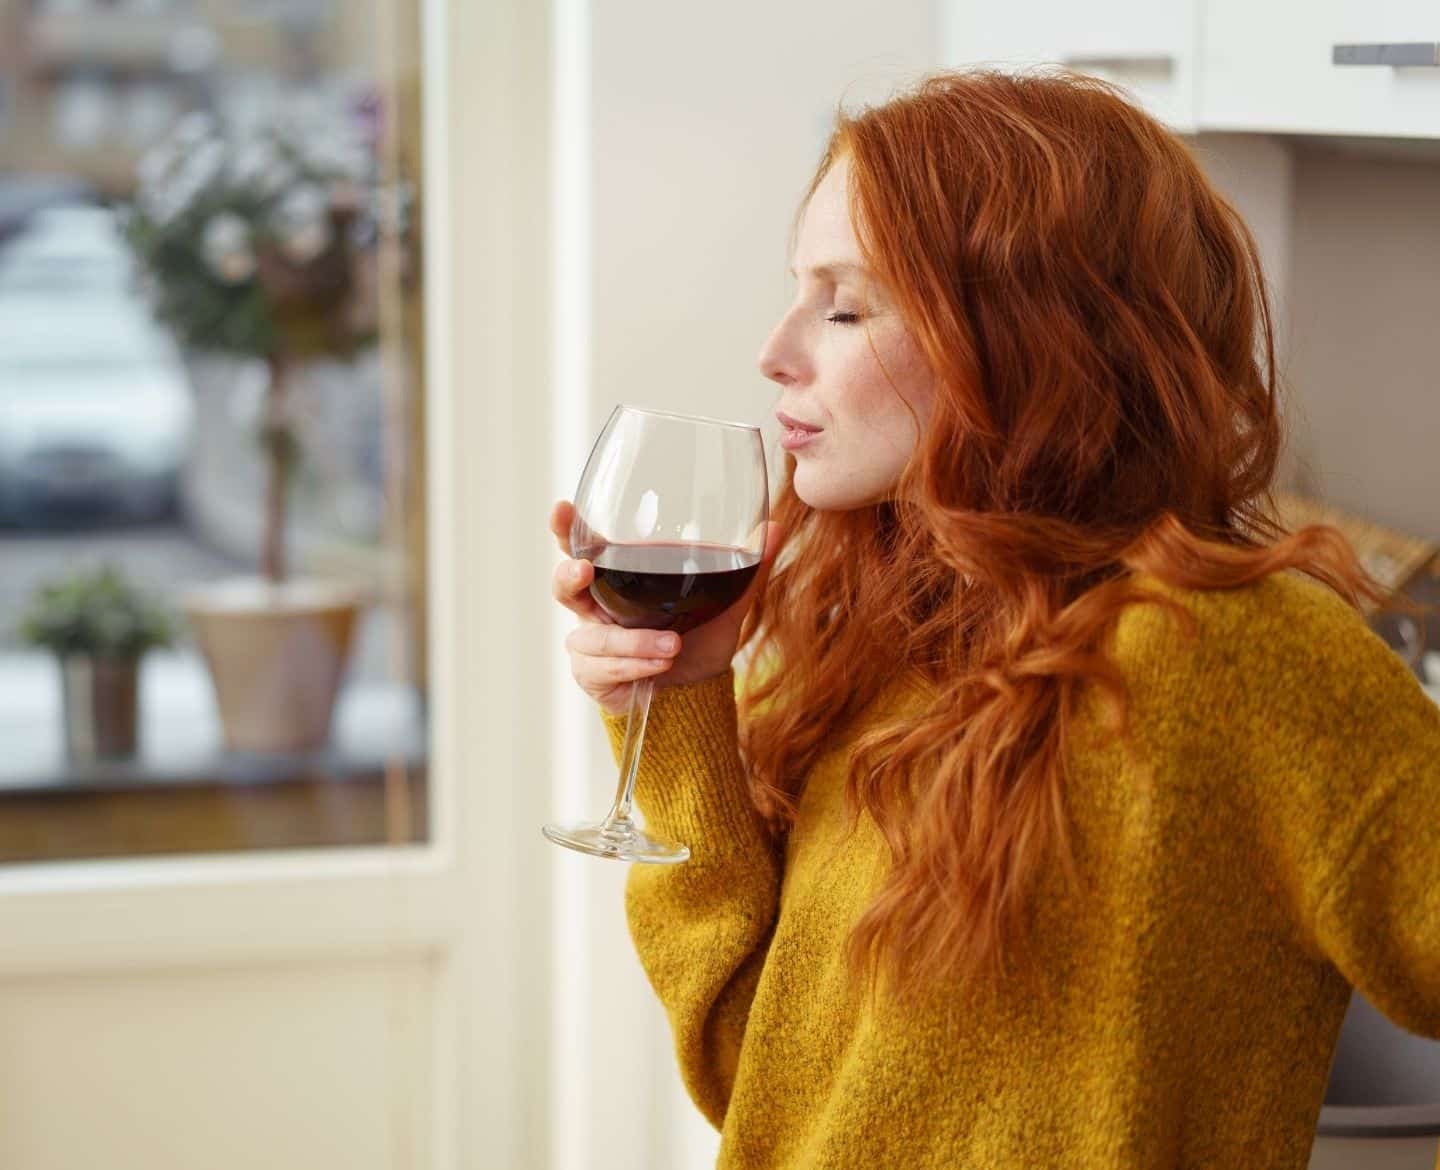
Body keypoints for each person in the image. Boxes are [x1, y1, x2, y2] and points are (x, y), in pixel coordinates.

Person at [549, 68, 1440, 1169]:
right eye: (798, 291)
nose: (776, 350)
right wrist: (681, 698)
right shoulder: (869, 650)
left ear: (1026, 335)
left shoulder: (1238, 655)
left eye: (844, 304)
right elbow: (756, 1086)